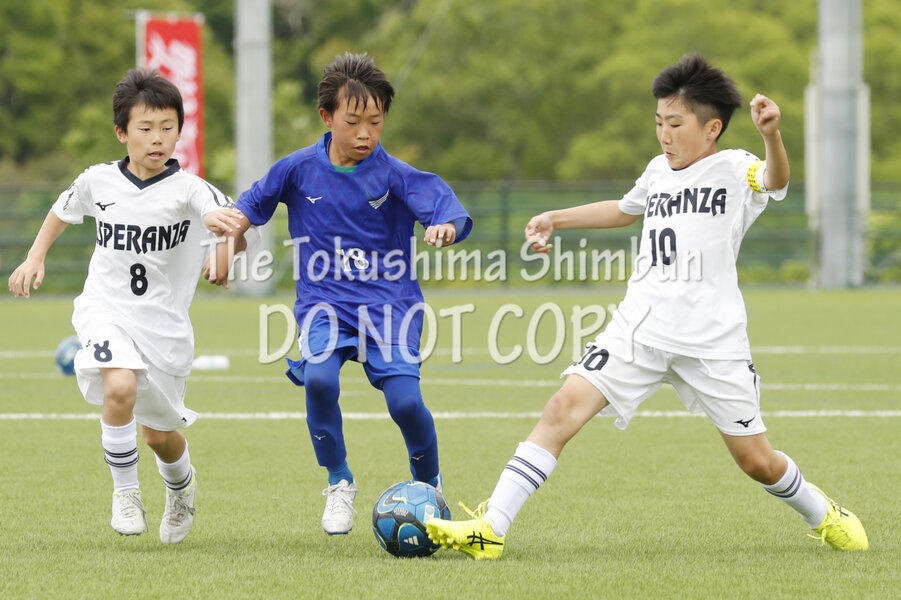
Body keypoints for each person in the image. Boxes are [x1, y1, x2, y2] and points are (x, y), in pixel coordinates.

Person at [425, 54, 868, 558]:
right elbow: (623, 209)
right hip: (638, 330)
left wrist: (772, 135)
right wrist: (554, 218)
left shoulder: (734, 167)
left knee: (756, 461)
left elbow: (775, 179)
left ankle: (822, 512)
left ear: (712, 128)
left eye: (675, 124)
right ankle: (491, 529)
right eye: (659, 122)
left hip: (711, 342)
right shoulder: (658, 170)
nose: (664, 135)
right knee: (561, 409)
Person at [222, 52, 472, 535]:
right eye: (353, 121)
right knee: (319, 380)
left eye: (375, 122)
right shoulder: (296, 169)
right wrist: (225, 248)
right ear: (326, 117)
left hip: (390, 306)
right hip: (325, 304)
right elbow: (245, 210)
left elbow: (446, 209)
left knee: (405, 404)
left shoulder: (394, 174)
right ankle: (339, 481)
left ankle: (430, 489)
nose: (365, 133)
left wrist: (445, 227)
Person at [8, 68, 248, 544]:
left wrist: (225, 250)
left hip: (163, 326)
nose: (157, 138)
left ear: (179, 132)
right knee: (118, 387)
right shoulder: (98, 181)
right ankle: (125, 493)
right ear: (122, 132)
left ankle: (181, 490)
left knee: (159, 435)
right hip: (105, 309)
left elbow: (233, 224)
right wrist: (35, 256)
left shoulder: (191, 189)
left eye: (167, 127)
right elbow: (62, 209)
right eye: (146, 128)